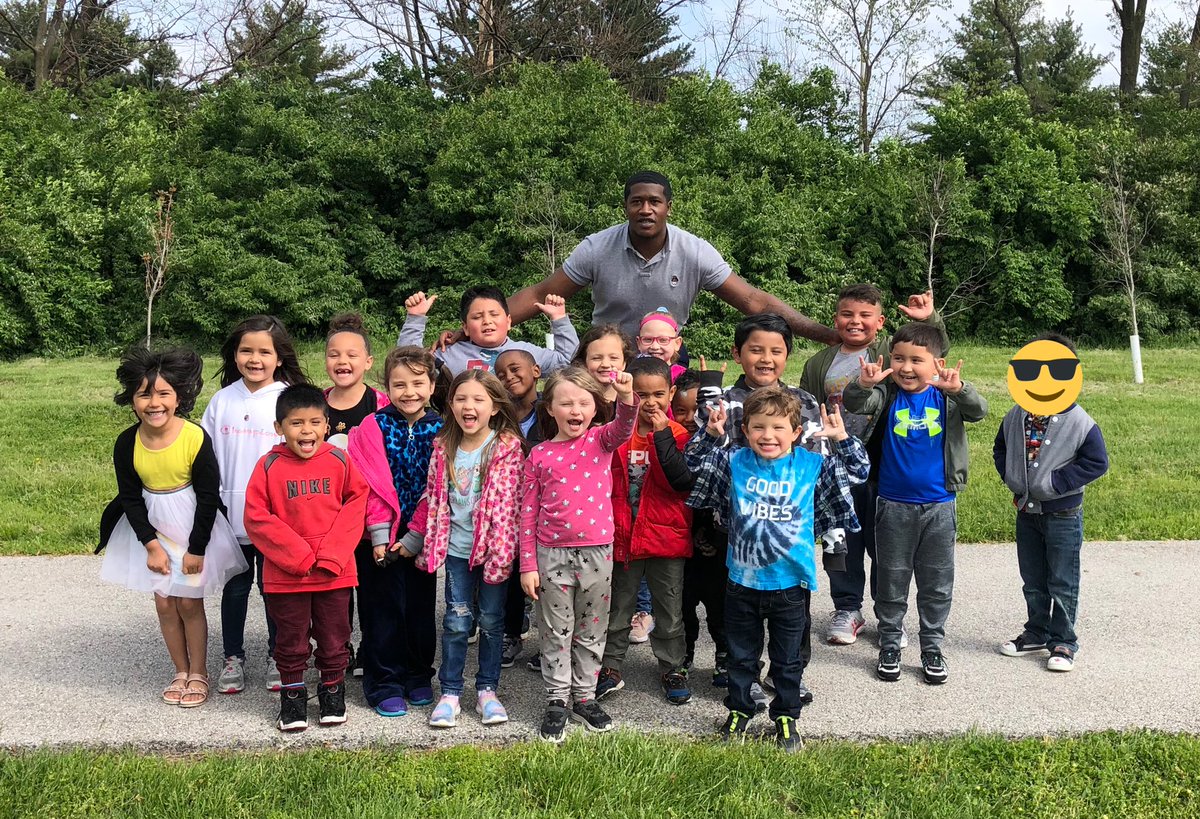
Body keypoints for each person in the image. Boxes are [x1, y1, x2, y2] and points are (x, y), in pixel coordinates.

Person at [433, 171, 837, 349]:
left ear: (668, 208)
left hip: (664, 351)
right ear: (626, 207)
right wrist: (470, 330)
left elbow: (754, 302)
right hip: (604, 350)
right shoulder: (597, 247)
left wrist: (825, 333)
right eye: (637, 201)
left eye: (654, 202)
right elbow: (541, 293)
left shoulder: (694, 250)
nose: (646, 209)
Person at [686, 389, 868, 752]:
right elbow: (694, 463)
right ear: (746, 430)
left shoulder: (811, 464)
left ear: (796, 431)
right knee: (741, 656)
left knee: (788, 660)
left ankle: (786, 717)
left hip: (790, 585)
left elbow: (859, 472)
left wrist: (842, 438)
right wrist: (710, 434)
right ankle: (739, 711)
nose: (767, 435)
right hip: (741, 582)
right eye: (758, 427)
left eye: (777, 427)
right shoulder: (734, 460)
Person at [695, 312, 853, 704]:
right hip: (735, 530)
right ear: (737, 353)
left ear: (787, 356)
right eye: (755, 350)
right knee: (736, 610)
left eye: (776, 351)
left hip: (788, 528)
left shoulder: (804, 403)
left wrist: (824, 529)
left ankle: (790, 674)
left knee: (792, 611)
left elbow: (820, 463)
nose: (765, 358)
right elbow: (706, 461)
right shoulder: (722, 404)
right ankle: (740, 674)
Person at [98, 346, 247, 709]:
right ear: (132, 399)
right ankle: (179, 670)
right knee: (165, 603)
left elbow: (209, 495)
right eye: (144, 394)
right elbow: (130, 498)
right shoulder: (126, 443)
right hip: (151, 528)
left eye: (163, 393)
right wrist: (150, 544)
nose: (154, 402)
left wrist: (197, 548)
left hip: (193, 527)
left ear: (179, 396)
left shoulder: (194, 437)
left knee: (188, 602)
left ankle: (199, 672)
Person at [798, 286, 947, 646]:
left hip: (882, 464)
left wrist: (930, 319)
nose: (856, 322)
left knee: (885, 544)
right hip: (834, 465)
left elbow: (931, 350)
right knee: (842, 540)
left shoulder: (890, 354)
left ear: (880, 323)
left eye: (866, 315)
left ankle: (888, 615)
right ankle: (847, 608)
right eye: (848, 314)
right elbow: (805, 409)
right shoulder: (820, 362)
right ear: (836, 319)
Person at [843, 323, 988, 685]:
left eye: (916, 360)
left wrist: (959, 388)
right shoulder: (886, 395)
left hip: (939, 505)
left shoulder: (946, 397)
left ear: (937, 363)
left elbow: (979, 411)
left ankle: (932, 646)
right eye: (899, 358)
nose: (906, 367)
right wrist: (863, 383)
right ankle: (890, 642)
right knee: (892, 578)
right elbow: (855, 403)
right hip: (892, 504)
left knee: (936, 582)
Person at [397, 371, 524, 728]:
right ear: (450, 404)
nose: (469, 406)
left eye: (479, 399)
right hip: (455, 550)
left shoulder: (507, 448)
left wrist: (508, 550)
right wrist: (417, 537)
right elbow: (433, 498)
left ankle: (487, 690)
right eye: (461, 399)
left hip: (495, 551)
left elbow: (514, 504)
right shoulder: (443, 447)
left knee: (491, 621)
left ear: (496, 407)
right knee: (456, 621)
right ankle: (450, 692)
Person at [519, 367, 638, 743]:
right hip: (550, 555)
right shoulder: (538, 454)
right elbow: (526, 511)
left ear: (594, 408)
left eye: (584, 403)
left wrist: (626, 396)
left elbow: (624, 426)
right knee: (555, 631)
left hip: (597, 554)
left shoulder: (601, 441)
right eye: (566, 403)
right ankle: (557, 700)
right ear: (549, 409)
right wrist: (527, 564)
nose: (576, 410)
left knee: (591, 629)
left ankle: (584, 697)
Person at [243, 385, 369, 731]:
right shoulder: (268, 466)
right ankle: (293, 695)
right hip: (287, 575)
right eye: (296, 423)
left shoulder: (340, 460)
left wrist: (331, 555)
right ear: (279, 427)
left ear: (327, 425)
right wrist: (298, 555)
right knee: (290, 638)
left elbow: (356, 504)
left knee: (335, 634)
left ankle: (331, 689)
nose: (306, 430)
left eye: (315, 422)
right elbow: (256, 517)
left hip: (334, 572)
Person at [202, 315, 308, 696]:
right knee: (235, 588)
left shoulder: (290, 396)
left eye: (265, 351)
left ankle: (279, 656)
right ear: (235, 354)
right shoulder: (222, 399)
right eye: (246, 350)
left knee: (274, 589)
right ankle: (233, 656)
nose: (255, 358)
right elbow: (206, 456)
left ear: (279, 357)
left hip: (278, 515)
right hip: (230, 515)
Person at [993, 333, 1108, 673]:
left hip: (1063, 515)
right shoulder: (1016, 415)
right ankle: (1036, 632)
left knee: (1062, 580)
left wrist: (1055, 483)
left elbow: (1096, 462)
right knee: (1033, 578)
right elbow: (1000, 449)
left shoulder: (1080, 422)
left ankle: (1064, 641)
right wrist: (1013, 477)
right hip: (1026, 512)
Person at [346, 346, 442, 717]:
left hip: (423, 534)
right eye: (399, 384)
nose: (409, 392)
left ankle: (418, 675)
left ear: (432, 386)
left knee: (419, 608)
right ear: (387, 387)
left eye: (418, 383)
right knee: (381, 608)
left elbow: (438, 490)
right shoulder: (373, 426)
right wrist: (381, 536)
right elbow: (369, 484)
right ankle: (383, 680)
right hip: (378, 536)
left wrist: (415, 537)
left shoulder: (442, 429)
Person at [596, 357, 695, 706]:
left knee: (668, 608)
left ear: (671, 393)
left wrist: (661, 434)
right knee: (619, 606)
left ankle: (672, 667)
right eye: (640, 394)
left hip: (665, 538)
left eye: (657, 394)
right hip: (623, 535)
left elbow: (677, 483)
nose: (649, 402)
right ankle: (610, 667)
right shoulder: (616, 435)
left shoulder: (680, 435)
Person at [571, 324, 655, 641]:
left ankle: (640, 611)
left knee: (634, 545)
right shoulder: (575, 397)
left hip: (630, 482)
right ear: (583, 360)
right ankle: (585, 624)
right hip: (588, 492)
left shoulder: (631, 396)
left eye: (613, 357)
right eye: (597, 357)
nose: (606, 364)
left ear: (625, 360)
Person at [322, 312, 390, 679]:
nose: (342, 362)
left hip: (370, 518)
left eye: (351, 355)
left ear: (367, 361)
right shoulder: (314, 406)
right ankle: (338, 649)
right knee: (335, 593)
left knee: (372, 588)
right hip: (327, 519)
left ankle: (371, 648)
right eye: (334, 354)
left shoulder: (382, 406)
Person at [672, 369, 729, 686]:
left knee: (720, 606)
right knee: (683, 606)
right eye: (682, 411)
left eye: (698, 410)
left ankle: (723, 655)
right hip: (680, 543)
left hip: (716, 544)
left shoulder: (721, 442)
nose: (691, 417)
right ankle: (683, 655)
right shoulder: (672, 442)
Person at [494, 348, 543, 670]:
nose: (509, 377)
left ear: (536, 371)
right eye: (501, 374)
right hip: (509, 509)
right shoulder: (498, 415)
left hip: (549, 504)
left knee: (550, 577)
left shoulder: (550, 411)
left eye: (515, 369)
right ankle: (512, 631)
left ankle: (550, 641)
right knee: (511, 574)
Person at [401, 287, 578, 374]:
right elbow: (410, 366)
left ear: (508, 321)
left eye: (494, 314)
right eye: (477, 317)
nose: (487, 321)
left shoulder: (527, 353)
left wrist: (560, 320)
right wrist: (415, 319)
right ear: (465, 327)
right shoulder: (449, 355)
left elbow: (570, 363)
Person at [635, 308, 687, 383]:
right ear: (639, 343)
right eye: (648, 340)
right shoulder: (632, 373)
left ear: (677, 343)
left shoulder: (683, 376)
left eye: (663, 340)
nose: (655, 347)